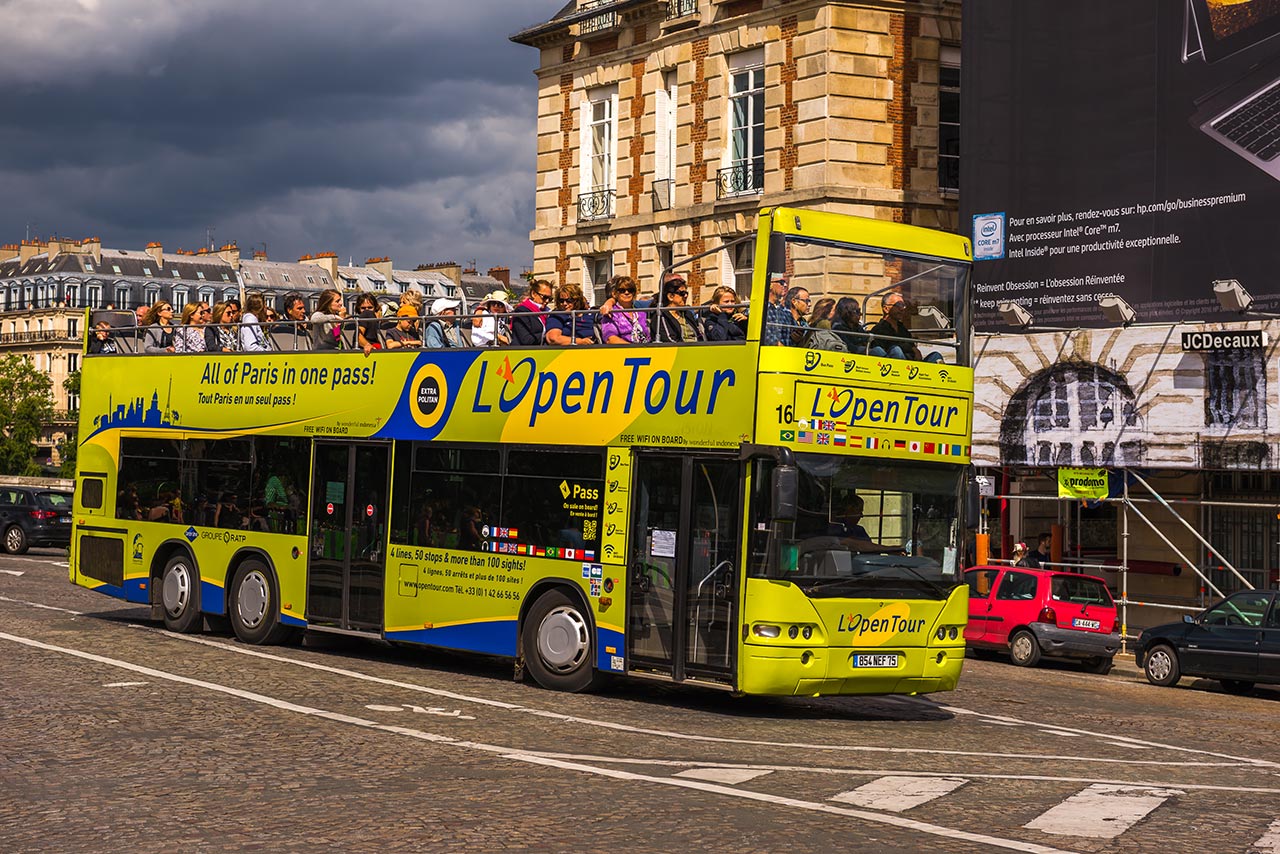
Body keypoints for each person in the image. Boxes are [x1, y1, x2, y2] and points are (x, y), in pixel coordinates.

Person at [868, 292, 944, 363]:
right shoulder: (878, 329)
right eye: (898, 305)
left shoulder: (902, 328)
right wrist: (911, 349)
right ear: (886, 309)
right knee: (896, 350)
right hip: (895, 368)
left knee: (936, 356)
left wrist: (914, 349)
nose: (902, 309)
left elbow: (912, 346)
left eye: (903, 305)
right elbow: (885, 352)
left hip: (913, 366)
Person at [828, 496, 903, 553]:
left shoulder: (859, 530)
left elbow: (871, 550)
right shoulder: (833, 529)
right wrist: (889, 549)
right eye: (859, 511)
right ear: (848, 511)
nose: (861, 516)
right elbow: (857, 545)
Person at [599, 275, 650, 344]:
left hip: (646, 350)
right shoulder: (611, 313)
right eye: (622, 290)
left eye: (630, 290)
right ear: (615, 294)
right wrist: (634, 349)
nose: (627, 292)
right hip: (623, 351)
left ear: (634, 293)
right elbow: (610, 339)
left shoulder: (641, 313)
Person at [655, 275, 704, 342]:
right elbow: (669, 340)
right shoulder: (661, 316)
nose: (686, 296)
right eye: (682, 293)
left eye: (686, 293)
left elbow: (699, 336)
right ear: (670, 296)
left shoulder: (687, 314)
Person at [512, 279, 553, 346]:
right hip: (524, 353)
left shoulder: (548, 312)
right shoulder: (521, 311)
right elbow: (526, 339)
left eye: (550, 298)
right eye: (544, 297)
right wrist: (549, 336)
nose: (547, 301)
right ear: (534, 294)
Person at [762, 272, 793, 346]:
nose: (785, 285)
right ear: (770, 285)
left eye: (785, 282)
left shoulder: (785, 311)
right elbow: (761, 333)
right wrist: (777, 344)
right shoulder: (762, 309)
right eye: (781, 282)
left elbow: (794, 333)